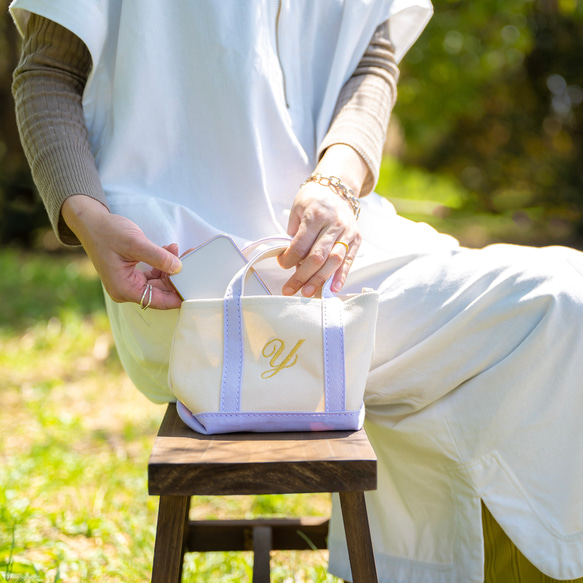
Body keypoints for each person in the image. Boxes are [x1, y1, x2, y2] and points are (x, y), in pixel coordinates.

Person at [10, 1, 583, 581]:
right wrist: (84, 216)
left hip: (343, 247)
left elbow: (371, 60)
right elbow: (47, 72)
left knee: (565, 302)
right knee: (556, 312)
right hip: (185, 275)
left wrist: (337, 182)